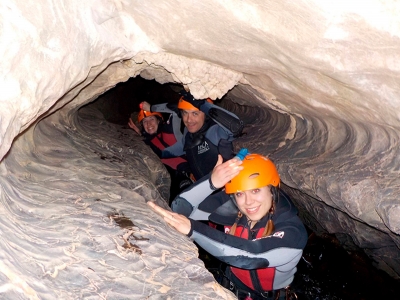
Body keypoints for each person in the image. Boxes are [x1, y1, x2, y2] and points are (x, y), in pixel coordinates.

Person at [148, 152, 308, 300]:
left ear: (272, 190)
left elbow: (249, 256)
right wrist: (212, 182)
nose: (248, 202)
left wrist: (193, 229)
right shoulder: (236, 210)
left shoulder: (292, 231)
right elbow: (180, 208)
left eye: (256, 190)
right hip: (227, 286)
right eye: (240, 193)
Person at [141, 91, 244, 182]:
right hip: (205, 190)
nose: (189, 120)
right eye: (185, 113)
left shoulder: (214, 131)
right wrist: (151, 108)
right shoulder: (188, 134)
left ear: (205, 114)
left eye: (195, 113)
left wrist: (203, 105)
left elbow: (235, 126)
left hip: (226, 191)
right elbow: (173, 151)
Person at [128, 108, 192, 202]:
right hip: (170, 181)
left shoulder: (168, 130)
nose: (149, 124)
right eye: (145, 121)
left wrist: (153, 107)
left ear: (158, 120)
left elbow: (175, 110)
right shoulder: (148, 141)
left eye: (152, 119)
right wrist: (140, 133)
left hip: (186, 174)